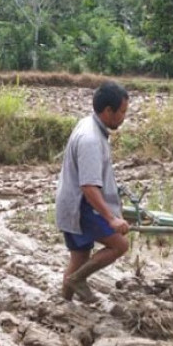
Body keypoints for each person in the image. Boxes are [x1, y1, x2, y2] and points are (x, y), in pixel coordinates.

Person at [55, 81, 130, 303]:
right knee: (120, 244)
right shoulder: (91, 139)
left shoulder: (88, 124)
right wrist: (112, 219)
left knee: (79, 258)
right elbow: (88, 186)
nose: (124, 117)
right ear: (108, 111)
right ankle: (76, 281)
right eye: (123, 112)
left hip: (71, 202)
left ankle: (63, 305)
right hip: (82, 206)